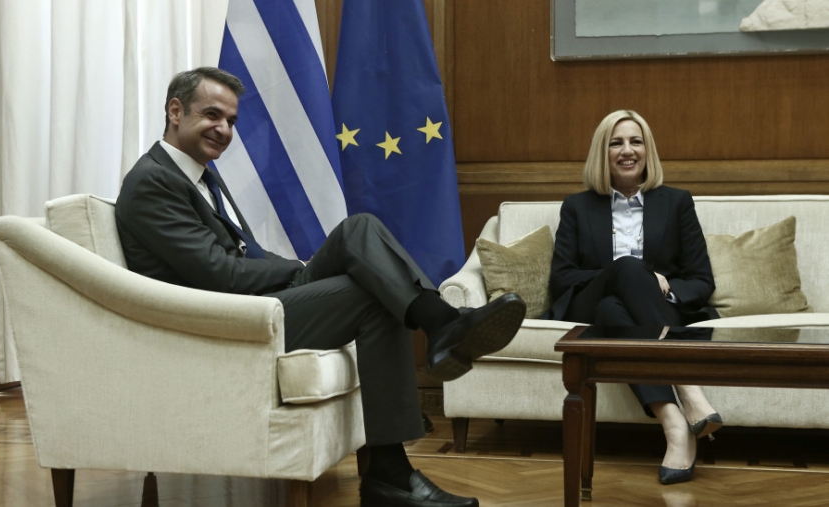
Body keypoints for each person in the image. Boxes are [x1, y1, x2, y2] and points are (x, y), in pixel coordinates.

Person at [115, 66, 526, 507]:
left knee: (358, 230)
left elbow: (248, 255)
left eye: (231, 121)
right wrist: (297, 270)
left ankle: (438, 334)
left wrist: (301, 268)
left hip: (253, 306)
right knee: (372, 292)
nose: (224, 130)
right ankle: (393, 465)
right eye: (212, 115)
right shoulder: (152, 181)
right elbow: (221, 275)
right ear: (176, 111)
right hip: (222, 324)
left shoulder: (200, 176)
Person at [544, 110, 722, 485]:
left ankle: (676, 427)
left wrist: (659, 286)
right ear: (603, 152)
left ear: (647, 150)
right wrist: (629, 275)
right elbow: (562, 279)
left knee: (613, 309)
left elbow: (701, 279)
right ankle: (689, 389)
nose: (627, 150)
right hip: (586, 304)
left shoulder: (677, 203)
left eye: (635, 141)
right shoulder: (577, 206)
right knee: (625, 270)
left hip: (633, 313)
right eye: (616, 143)